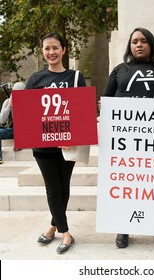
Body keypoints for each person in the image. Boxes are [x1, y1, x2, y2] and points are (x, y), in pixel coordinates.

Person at [101, 27, 154, 248]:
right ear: (129, 46)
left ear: (151, 44)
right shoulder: (119, 70)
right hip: (125, 140)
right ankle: (124, 227)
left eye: (143, 41)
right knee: (128, 184)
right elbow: (106, 99)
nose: (138, 45)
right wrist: (103, 107)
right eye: (134, 42)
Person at [25, 32, 86, 254]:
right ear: (42, 52)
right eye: (47, 48)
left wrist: (72, 137)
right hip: (43, 146)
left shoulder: (75, 77)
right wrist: (16, 104)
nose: (51, 52)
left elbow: (80, 111)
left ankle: (52, 227)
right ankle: (66, 233)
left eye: (55, 48)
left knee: (63, 187)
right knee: (53, 189)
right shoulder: (34, 79)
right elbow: (30, 114)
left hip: (68, 145)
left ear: (64, 50)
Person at [0, 82, 25, 164]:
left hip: (24, 131)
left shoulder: (28, 101)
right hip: (11, 130)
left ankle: (20, 143)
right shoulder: (7, 102)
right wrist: (9, 107)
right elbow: (1, 120)